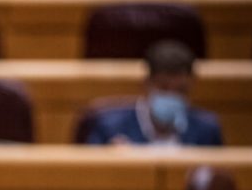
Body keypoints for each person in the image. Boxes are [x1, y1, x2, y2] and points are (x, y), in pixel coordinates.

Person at [85, 40, 223, 146]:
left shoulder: (207, 130)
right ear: (146, 84)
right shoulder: (109, 128)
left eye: (181, 90)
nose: (172, 96)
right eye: (164, 87)